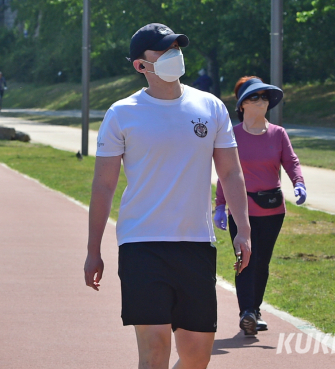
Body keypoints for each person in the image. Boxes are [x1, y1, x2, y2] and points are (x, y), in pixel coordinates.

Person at [83, 23, 252, 369]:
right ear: (140, 66)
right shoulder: (121, 114)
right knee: (155, 346)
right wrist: (93, 250)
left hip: (195, 243)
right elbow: (103, 186)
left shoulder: (211, 107)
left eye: (176, 48)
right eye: (163, 51)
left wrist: (244, 230)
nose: (174, 55)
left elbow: (230, 172)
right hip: (141, 243)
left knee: (196, 355)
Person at [213, 76, 307, 336]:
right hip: (241, 210)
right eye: (255, 96)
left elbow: (291, 162)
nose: (262, 101)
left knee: (262, 262)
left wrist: (298, 183)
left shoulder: (278, 134)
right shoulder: (232, 135)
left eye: (265, 96)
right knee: (245, 259)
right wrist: (220, 206)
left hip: (272, 211)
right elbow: (226, 173)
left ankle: (255, 310)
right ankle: (247, 312)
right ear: (242, 104)